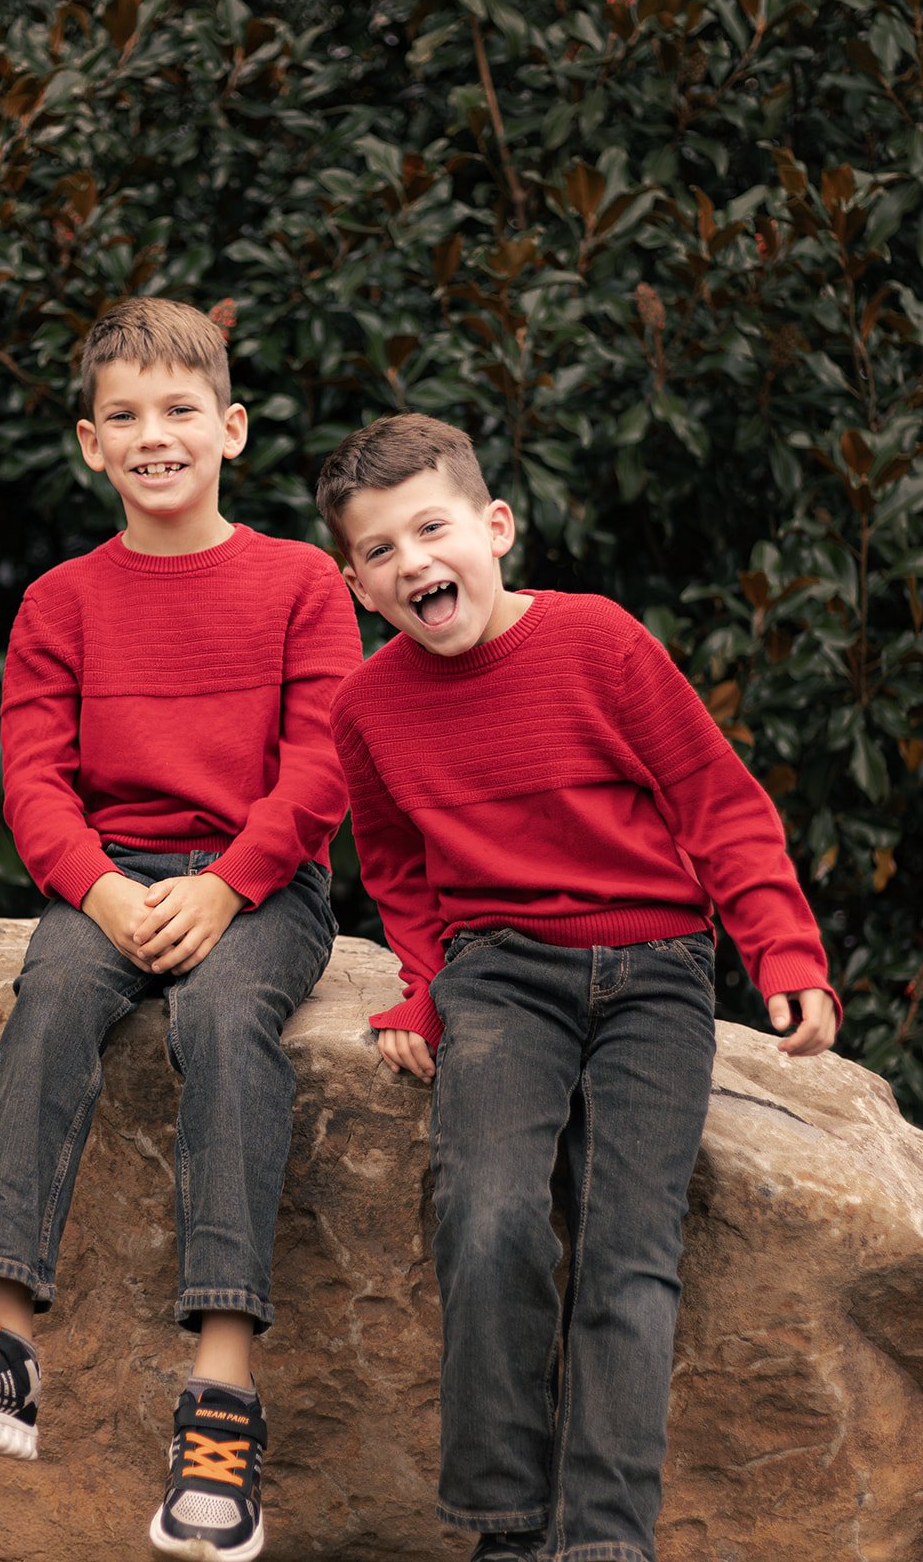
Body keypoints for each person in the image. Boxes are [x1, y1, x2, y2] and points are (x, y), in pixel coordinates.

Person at [0, 296, 361, 1562]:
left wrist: (225, 885)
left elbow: (324, 766)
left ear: (231, 430)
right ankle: (2, 1352)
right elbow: (35, 781)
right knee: (50, 999)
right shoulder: (61, 600)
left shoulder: (301, 582)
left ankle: (220, 1398)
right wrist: (96, 890)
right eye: (126, 417)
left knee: (220, 1015)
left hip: (260, 882)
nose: (156, 437)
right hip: (107, 876)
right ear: (90, 444)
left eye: (180, 412)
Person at [315, 412, 838, 1562]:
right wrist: (421, 990)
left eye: (432, 529)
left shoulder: (597, 641)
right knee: (487, 1212)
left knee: (626, 1250)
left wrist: (780, 946)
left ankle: (601, 1540)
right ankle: (505, 1525)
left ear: (495, 527)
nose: (413, 563)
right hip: (501, 979)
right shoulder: (365, 709)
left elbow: (716, 800)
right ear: (357, 584)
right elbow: (397, 871)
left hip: (656, 972)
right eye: (381, 551)